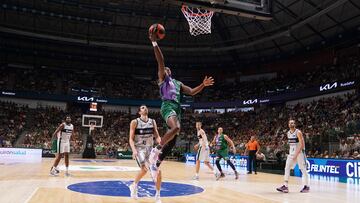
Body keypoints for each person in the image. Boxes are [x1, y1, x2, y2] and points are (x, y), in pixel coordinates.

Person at [148, 30, 215, 181]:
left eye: (167, 69)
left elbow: (191, 92)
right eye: (163, 69)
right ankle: (156, 149)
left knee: (172, 143)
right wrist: (154, 43)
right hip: (167, 106)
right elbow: (161, 61)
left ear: (170, 72)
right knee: (176, 128)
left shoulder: (177, 83)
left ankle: (156, 164)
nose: (165, 69)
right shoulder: (163, 79)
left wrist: (203, 85)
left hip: (177, 109)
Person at [128, 105, 162, 203]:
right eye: (142, 108)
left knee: (158, 172)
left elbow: (157, 135)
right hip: (139, 149)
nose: (145, 108)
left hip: (150, 149)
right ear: (139, 112)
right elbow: (130, 138)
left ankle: (157, 195)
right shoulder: (135, 122)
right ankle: (134, 185)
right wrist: (134, 150)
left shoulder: (153, 121)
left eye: (146, 107)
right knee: (144, 169)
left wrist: (161, 143)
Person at [277, 119, 310, 193]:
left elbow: (302, 145)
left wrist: (296, 154)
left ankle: (306, 186)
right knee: (287, 167)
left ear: (295, 124)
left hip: (300, 153)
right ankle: (285, 186)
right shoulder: (288, 133)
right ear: (288, 125)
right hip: (291, 154)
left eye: (293, 123)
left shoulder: (298, 132)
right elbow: (292, 145)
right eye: (290, 123)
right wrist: (290, 153)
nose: (291, 124)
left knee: (303, 169)